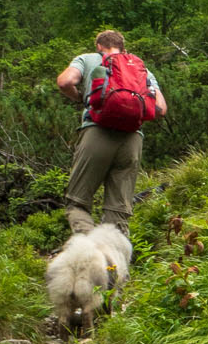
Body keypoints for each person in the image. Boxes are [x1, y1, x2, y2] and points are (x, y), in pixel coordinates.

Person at [57, 30, 166, 236]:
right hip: (132, 140)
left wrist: (80, 98)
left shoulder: (88, 59)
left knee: (77, 204)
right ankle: (114, 265)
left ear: (99, 46)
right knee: (118, 211)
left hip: (97, 133)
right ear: (123, 49)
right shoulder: (141, 68)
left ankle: (91, 255)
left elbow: (64, 82)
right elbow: (161, 108)